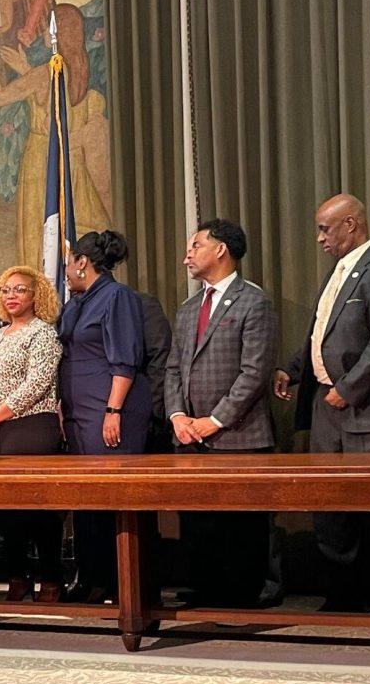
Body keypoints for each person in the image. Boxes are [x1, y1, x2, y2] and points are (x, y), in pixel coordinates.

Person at [274, 193, 370, 613]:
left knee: (369, 510)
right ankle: (342, 595)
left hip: (365, 412)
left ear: (351, 225)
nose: (319, 238)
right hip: (326, 411)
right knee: (329, 504)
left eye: (325, 228)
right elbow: (322, 335)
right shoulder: (337, 272)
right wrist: (293, 369)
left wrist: (349, 387)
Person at [165, 219, 279, 607]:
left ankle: (243, 596)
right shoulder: (188, 308)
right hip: (189, 438)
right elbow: (173, 368)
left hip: (239, 437)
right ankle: (206, 590)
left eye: (194, 246)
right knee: (198, 523)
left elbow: (255, 372)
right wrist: (178, 416)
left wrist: (214, 420)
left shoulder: (253, 301)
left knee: (241, 526)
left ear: (220, 249)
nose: (186, 257)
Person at [0, 4, 111, 268]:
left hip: (42, 161)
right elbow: (53, 99)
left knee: (40, 236)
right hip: (73, 164)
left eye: (48, 26)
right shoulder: (81, 71)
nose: (44, 30)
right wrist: (25, 70)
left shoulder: (45, 72)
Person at [57, 231, 151, 604]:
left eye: (69, 262)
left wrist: (113, 410)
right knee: (85, 500)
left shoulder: (117, 297)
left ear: (83, 262)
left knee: (113, 499)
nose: (65, 270)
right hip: (79, 413)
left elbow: (125, 359)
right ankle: (90, 577)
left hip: (109, 410)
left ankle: (120, 583)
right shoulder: (78, 302)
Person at [0, 267, 64, 601]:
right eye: (5, 289)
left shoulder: (43, 334)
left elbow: (36, 385)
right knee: (3, 508)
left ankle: (51, 578)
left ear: (36, 295)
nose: (11, 296)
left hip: (31, 426)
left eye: (20, 289)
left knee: (38, 506)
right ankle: (18, 575)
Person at [137, 290, 174, 453]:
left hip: (145, 419)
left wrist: (152, 413)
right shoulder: (75, 308)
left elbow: (161, 358)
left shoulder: (141, 304)